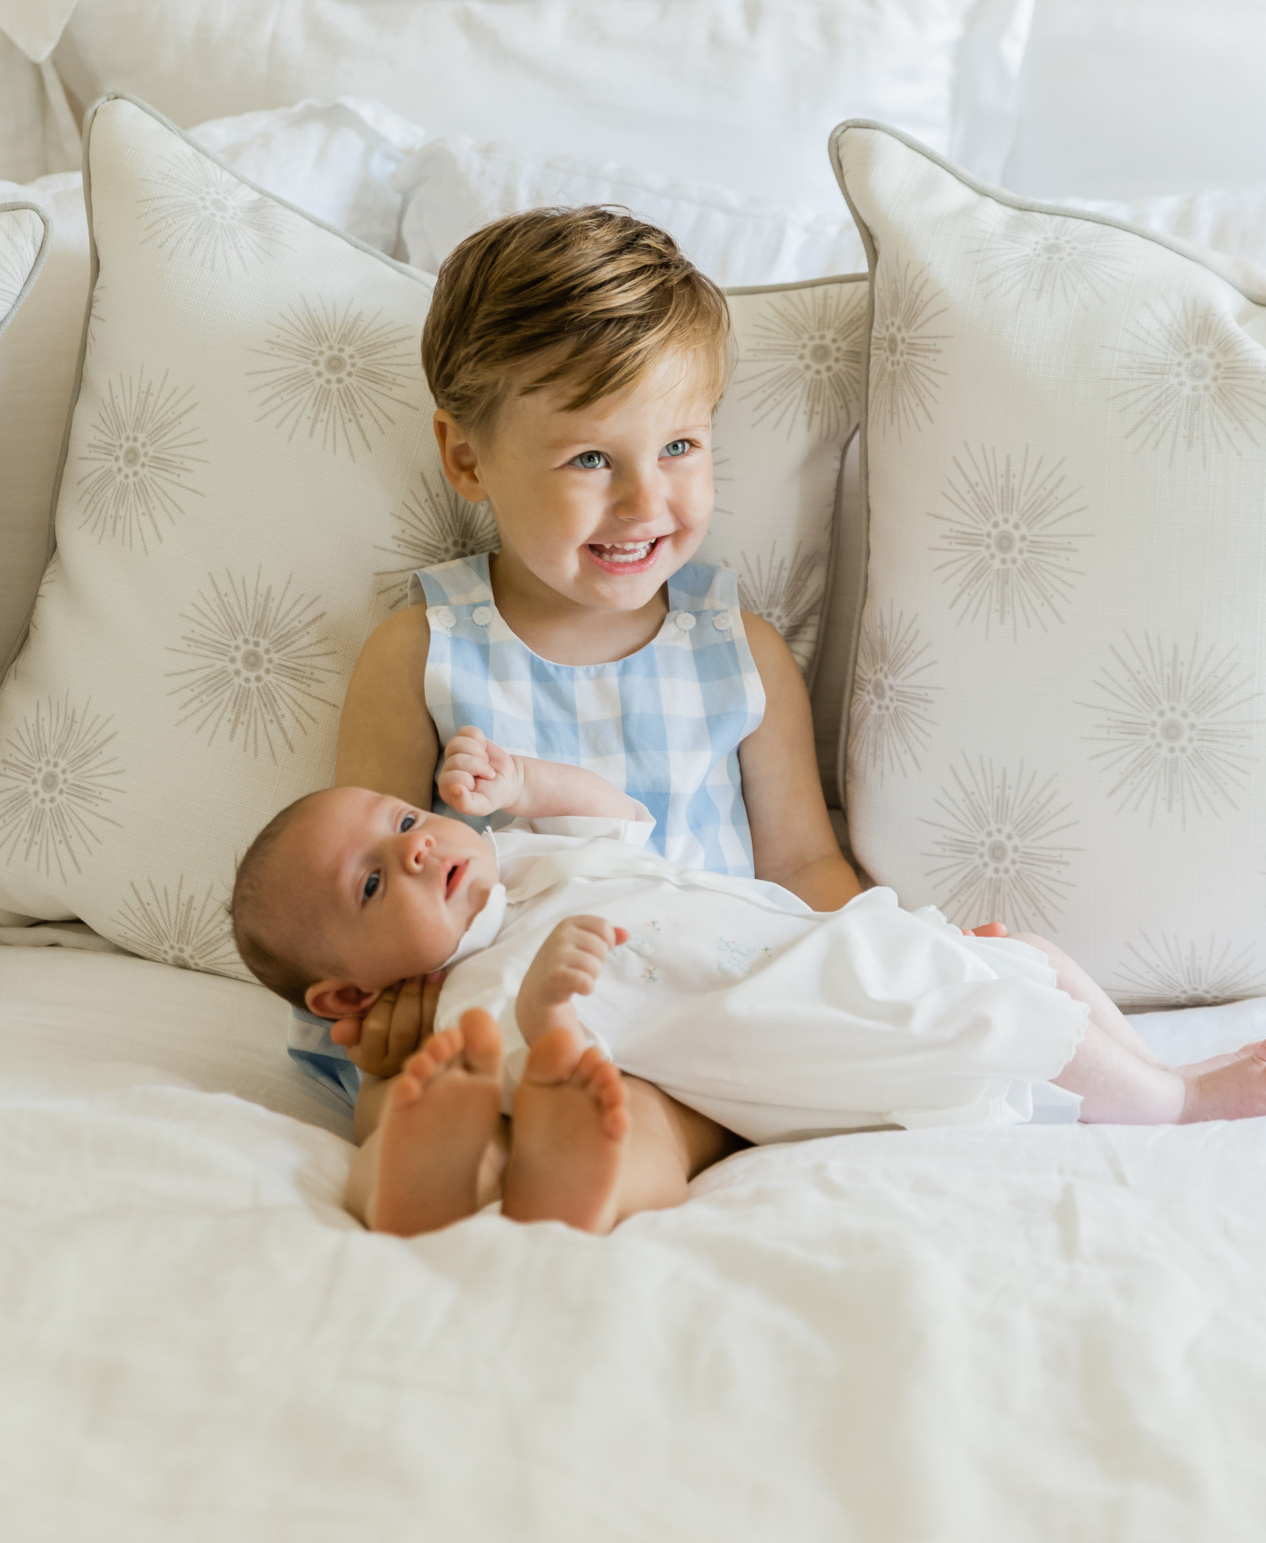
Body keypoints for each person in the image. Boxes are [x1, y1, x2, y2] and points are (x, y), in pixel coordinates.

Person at [283, 205, 865, 1209]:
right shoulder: (421, 648)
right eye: (592, 458)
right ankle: (420, 1160)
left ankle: (573, 1169)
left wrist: (883, 952)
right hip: (477, 986)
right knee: (409, 1081)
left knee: (657, 1110)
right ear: (466, 458)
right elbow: (364, 861)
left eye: (679, 444)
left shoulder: (739, 653)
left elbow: (802, 863)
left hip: (684, 1004)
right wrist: (385, 1006)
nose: (646, 502)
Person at [234, 726, 1266, 1238]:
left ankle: (1151, 1065)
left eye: (407, 819)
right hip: (783, 1015)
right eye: (375, 881)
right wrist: (544, 1009)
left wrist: (522, 779)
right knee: (994, 1011)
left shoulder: (526, 862)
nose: (419, 849)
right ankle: (1169, 1101)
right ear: (342, 994)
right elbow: (526, 1056)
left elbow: (609, 811)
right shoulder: (477, 996)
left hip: (822, 941)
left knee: (1039, 964)